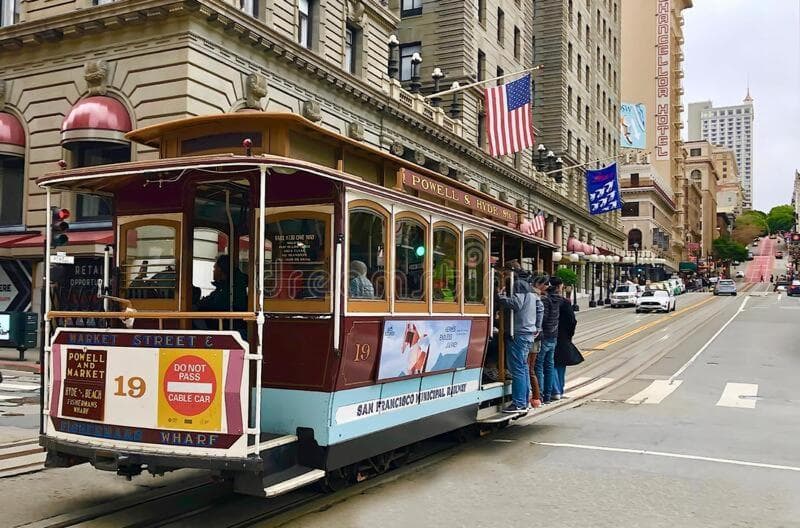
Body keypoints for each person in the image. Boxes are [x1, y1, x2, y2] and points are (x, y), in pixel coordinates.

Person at [495, 260, 538, 413]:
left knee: (518, 368)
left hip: (518, 332)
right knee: (523, 367)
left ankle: (519, 402)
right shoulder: (529, 286)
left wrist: (499, 297)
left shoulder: (518, 284)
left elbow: (516, 304)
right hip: (527, 332)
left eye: (504, 272)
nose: (503, 275)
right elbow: (539, 307)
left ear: (510, 271)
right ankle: (523, 400)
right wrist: (536, 327)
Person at [533, 274, 560, 403]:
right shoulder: (558, 300)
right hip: (553, 336)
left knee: (539, 366)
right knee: (549, 366)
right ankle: (548, 396)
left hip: (544, 336)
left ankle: (541, 394)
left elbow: (543, 318)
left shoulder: (545, 300)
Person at [553, 277, 581, 398]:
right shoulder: (564, 302)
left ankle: (555, 390)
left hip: (550, 335)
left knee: (551, 364)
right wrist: (568, 335)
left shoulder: (546, 300)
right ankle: (559, 390)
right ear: (559, 287)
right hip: (562, 336)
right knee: (560, 365)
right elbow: (572, 321)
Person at [527, 273, 545, 408]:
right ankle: (537, 397)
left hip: (533, 336)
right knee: (530, 368)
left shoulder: (534, 296)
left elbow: (539, 312)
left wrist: (536, 329)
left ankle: (535, 397)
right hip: (536, 336)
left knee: (529, 368)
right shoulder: (537, 296)